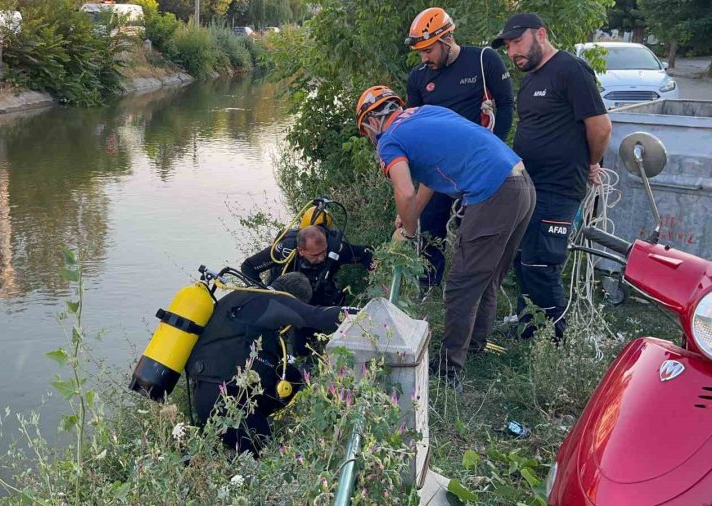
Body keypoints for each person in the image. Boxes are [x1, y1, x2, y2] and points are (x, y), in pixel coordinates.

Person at [355, 85, 535, 389]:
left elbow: (405, 189)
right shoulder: (424, 114)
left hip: (492, 192)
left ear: (372, 121)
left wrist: (409, 233)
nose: (370, 137)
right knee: (487, 276)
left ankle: (449, 369)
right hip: (522, 185)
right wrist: (410, 214)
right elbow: (428, 179)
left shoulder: (389, 140)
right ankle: (475, 346)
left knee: (461, 285)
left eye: (366, 130)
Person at [491, 13, 611, 339]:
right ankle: (528, 328)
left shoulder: (570, 70)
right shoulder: (530, 78)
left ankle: (556, 344)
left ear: (540, 34)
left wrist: (592, 162)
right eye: (508, 45)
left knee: (541, 265)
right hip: (529, 186)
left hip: (559, 187)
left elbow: (600, 127)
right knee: (522, 258)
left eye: (518, 41)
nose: (512, 51)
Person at [404, 7, 515, 287]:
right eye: (420, 52)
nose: (424, 57)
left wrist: (495, 147)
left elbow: (506, 105)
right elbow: (412, 126)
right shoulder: (419, 76)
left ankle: (470, 289)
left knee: (474, 233)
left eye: (428, 50)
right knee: (431, 229)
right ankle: (428, 290)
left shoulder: (482, 60)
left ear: (446, 39)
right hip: (437, 172)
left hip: (477, 169)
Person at [186, 273, 347, 455]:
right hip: (228, 402)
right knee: (264, 455)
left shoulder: (243, 296)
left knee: (291, 376)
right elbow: (316, 316)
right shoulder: (274, 300)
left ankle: (247, 433)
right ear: (293, 297)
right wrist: (365, 313)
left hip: (206, 394)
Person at [240, 225, 374, 306]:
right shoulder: (284, 251)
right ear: (301, 250)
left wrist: (378, 276)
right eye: (315, 255)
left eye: (323, 252)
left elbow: (365, 254)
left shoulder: (334, 248)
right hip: (284, 298)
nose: (321, 258)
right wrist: (262, 294)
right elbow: (248, 267)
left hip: (317, 298)